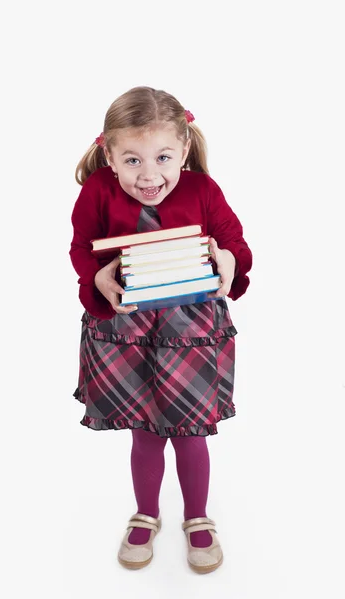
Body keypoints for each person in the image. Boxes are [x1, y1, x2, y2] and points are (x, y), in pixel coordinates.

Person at [69, 86, 253, 574]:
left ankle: (197, 518)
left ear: (184, 150)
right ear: (108, 154)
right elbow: (82, 249)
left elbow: (234, 242)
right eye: (131, 160)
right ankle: (147, 513)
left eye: (163, 158)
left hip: (188, 329)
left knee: (191, 433)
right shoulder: (97, 191)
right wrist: (97, 275)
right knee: (146, 433)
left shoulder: (203, 191)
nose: (149, 176)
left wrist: (228, 260)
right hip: (126, 330)